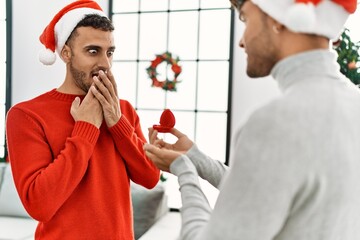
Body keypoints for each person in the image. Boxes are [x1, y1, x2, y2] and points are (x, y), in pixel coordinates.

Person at [143, 0, 360, 239]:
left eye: (245, 19)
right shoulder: (352, 102)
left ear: (277, 19)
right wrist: (195, 159)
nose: (242, 40)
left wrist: (183, 170)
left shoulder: (276, 122)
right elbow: (265, 192)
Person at [6, 1, 160, 239]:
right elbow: (39, 205)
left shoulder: (123, 110)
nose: (105, 64)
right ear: (66, 53)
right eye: (92, 51)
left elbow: (149, 178)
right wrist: (85, 129)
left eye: (109, 52)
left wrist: (118, 123)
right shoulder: (26, 115)